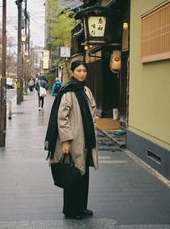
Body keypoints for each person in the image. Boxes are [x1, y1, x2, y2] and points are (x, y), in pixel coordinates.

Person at [44, 60, 98, 220]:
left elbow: (92, 110)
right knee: (72, 174)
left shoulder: (86, 90)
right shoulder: (68, 92)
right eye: (79, 71)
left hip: (86, 139)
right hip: (74, 140)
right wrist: (65, 141)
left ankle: (81, 207)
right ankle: (70, 210)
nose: (82, 74)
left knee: (83, 174)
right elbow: (62, 118)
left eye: (84, 71)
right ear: (73, 72)